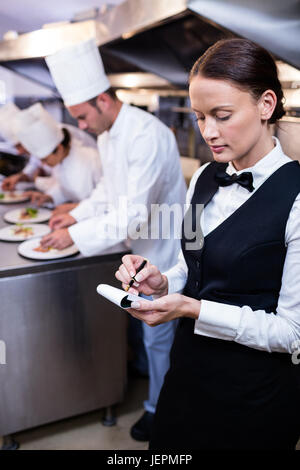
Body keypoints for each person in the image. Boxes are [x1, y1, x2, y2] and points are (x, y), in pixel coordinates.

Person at [116, 38, 300, 450]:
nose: (208, 133)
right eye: (199, 117)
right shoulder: (203, 177)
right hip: (188, 375)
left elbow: (292, 333)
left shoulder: (297, 199)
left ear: (266, 105)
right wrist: (162, 283)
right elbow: (190, 263)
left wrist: (193, 309)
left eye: (222, 115)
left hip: (255, 396)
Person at [44, 38, 187, 440]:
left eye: (82, 117)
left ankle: (159, 408)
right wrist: (75, 213)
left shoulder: (146, 135)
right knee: (143, 329)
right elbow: (109, 191)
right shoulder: (108, 135)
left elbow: (133, 214)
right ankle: (146, 373)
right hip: (135, 247)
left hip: (162, 249)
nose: (81, 128)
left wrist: (72, 233)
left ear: (102, 101)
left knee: (159, 334)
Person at [13, 102, 101, 207]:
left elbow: (106, 200)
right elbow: (65, 189)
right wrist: (49, 197)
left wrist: (74, 209)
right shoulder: (61, 162)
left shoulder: (93, 159)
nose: (44, 164)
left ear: (59, 148)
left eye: (45, 159)